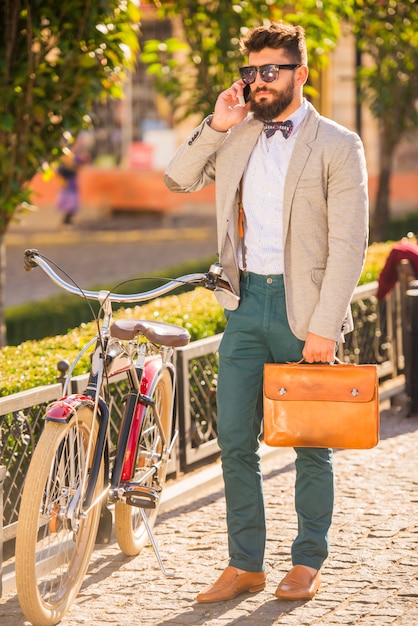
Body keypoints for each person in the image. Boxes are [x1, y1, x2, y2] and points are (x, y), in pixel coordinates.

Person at [165, 22, 369, 603]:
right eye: (250, 71)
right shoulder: (235, 134)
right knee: (233, 437)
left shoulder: (336, 143)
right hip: (245, 303)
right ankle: (245, 563)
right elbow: (178, 178)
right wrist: (215, 124)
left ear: (301, 74)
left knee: (310, 442)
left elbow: (350, 243)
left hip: (305, 312)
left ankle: (307, 561)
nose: (257, 81)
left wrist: (324, 326)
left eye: (270, 70)